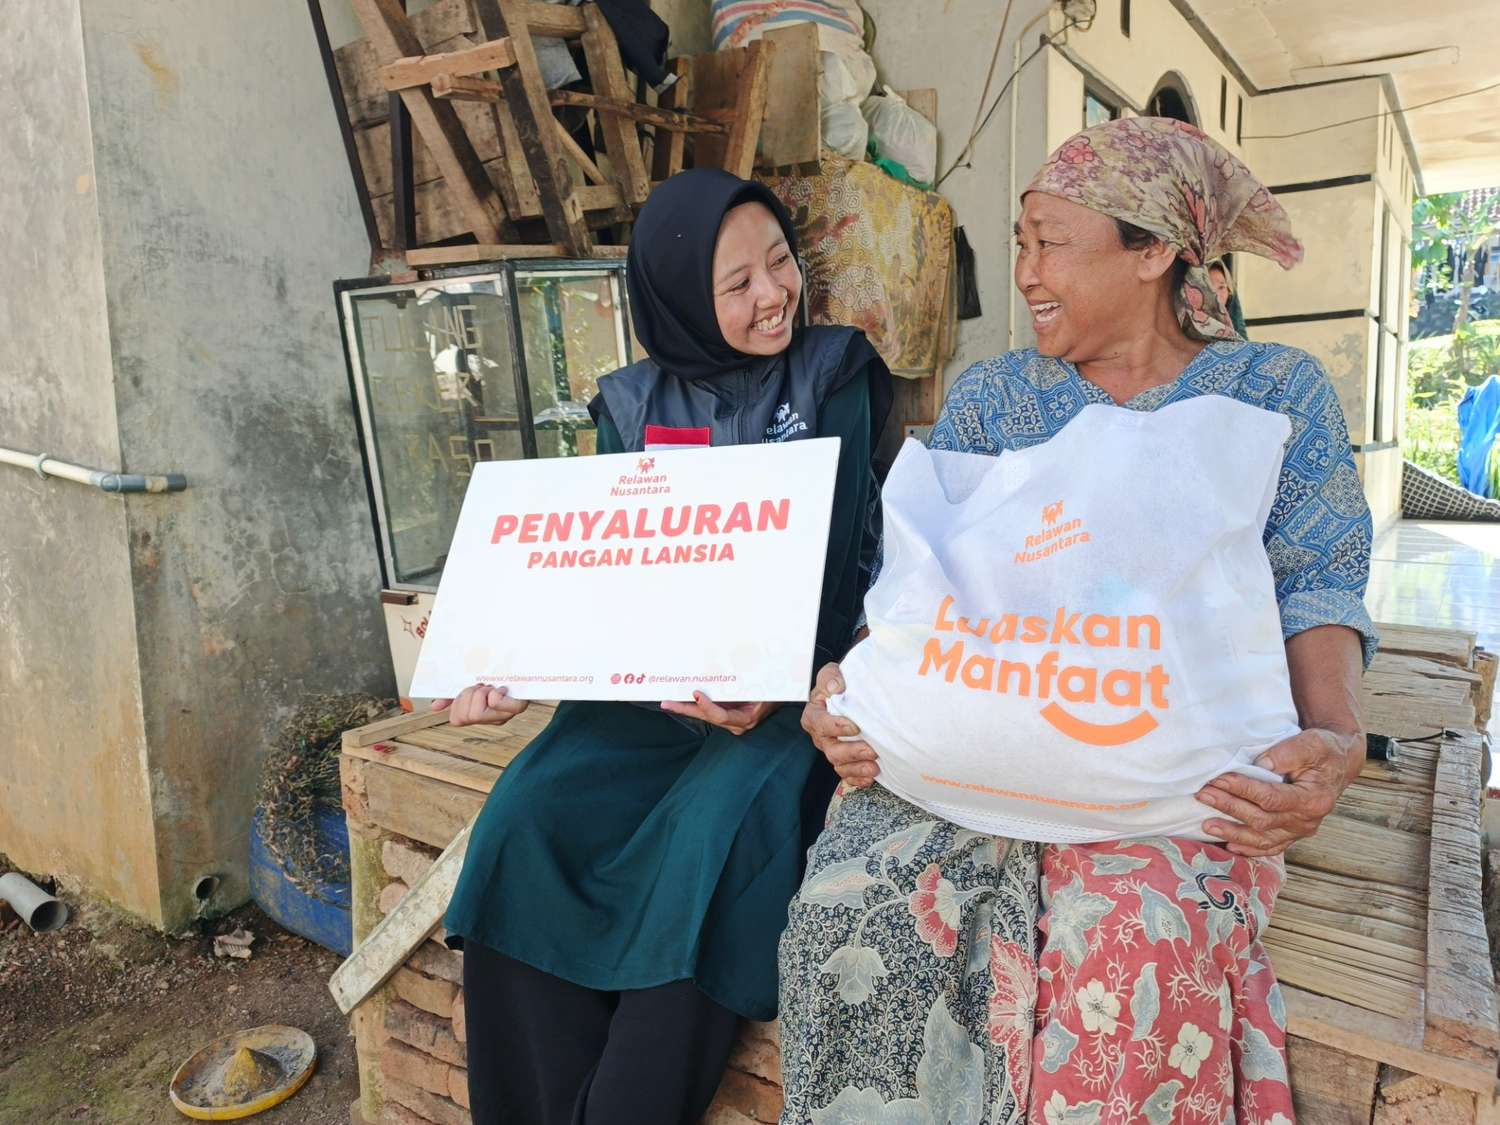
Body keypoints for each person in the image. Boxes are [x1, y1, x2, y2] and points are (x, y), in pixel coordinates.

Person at [781, 117, 1375, 1124]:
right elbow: (921, 582)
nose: (1026, 273)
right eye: (1020, 243)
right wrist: (853, 687)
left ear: (1154, 252)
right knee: (853, 922)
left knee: (1128, 960)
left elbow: (1316, 580)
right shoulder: (996, 397)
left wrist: (1337, 738)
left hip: (1171, 787)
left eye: (1050, 243)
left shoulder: (1271, 392)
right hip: (974, 762)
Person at [432, 168, 892, 1125]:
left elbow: (840, 557)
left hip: (783, 702)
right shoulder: (629, 404)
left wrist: (773, 682)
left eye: (780, 263)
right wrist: (508, 657)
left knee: (714, 839)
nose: (774, 294)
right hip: (644, 709)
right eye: (737, 284)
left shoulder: (834, 373)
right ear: (678, 299)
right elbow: (601, 574)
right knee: (525, 815)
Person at [1209, 258, 1251, 338]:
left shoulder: (1236, 334)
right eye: (1209, 288)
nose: (1217, 295)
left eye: (1221, 287)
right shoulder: (1186, 336)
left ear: (1229, 291)